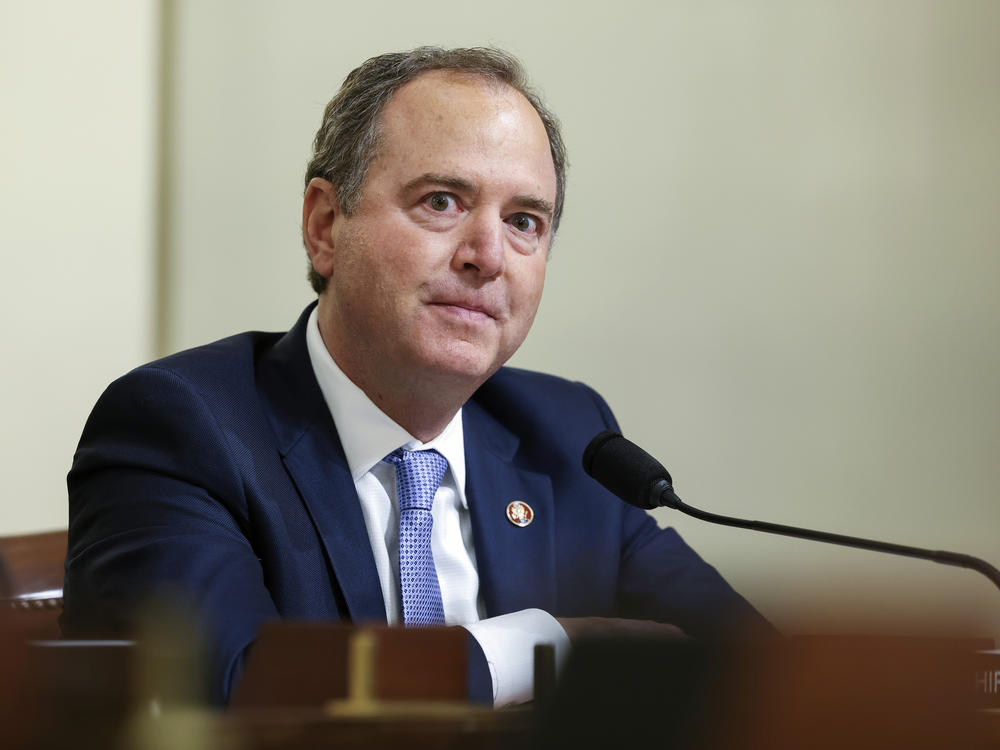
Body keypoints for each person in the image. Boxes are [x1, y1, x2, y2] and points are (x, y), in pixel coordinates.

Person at [62, 46, 770, 706]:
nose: (487, 256)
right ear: (324, 224)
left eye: (525, 220)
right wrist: (542, 647)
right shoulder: (182, 428)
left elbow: (752, 665)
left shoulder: (567, 437)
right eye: (442, 202)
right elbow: (225, 695)